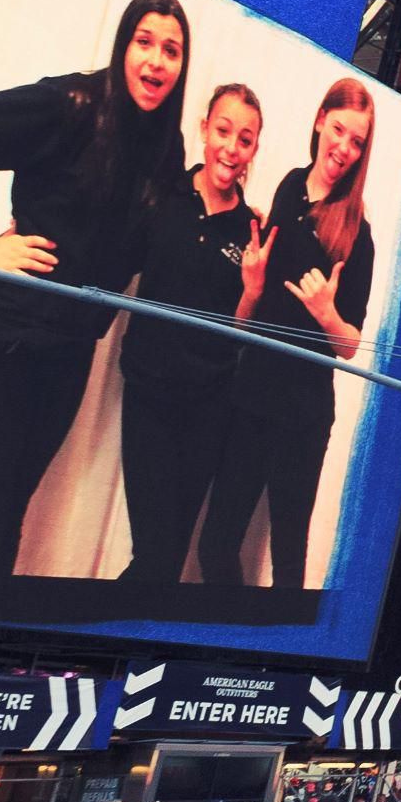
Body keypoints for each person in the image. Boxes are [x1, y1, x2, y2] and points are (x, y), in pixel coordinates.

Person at [0, 0, 189, 576]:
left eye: (171, 50)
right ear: (123, 46)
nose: (156, 61)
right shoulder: (70, 102)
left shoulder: (165, 148)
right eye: (144, 43)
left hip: (68, 355)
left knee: (5, 522)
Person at [196, 78, 384, 587]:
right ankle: (225, 650)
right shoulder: (288, 187)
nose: (344, 148)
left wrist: (326, 313)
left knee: (287, 564)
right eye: (339, 130)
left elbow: (350, 346)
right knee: (215, 545)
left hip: (302, 418)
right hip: (250, 396)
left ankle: (269, 665)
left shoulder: (356, 233)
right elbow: (264, 287)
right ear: (321, 120)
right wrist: (252, 281)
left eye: (357, 141)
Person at [115, 82, 262, 583]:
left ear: (253, 151)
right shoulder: (163, 196)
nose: (231, 148)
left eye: (245, 139)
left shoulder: (254, 233)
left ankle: (116, 658)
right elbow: (116, 261)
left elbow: (240, 330)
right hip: (148, 398)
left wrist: (252, 288)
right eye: (223, 131)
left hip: (208, 411)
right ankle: (80, 652)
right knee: (155, 558)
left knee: (167, 561)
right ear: (204, 129)